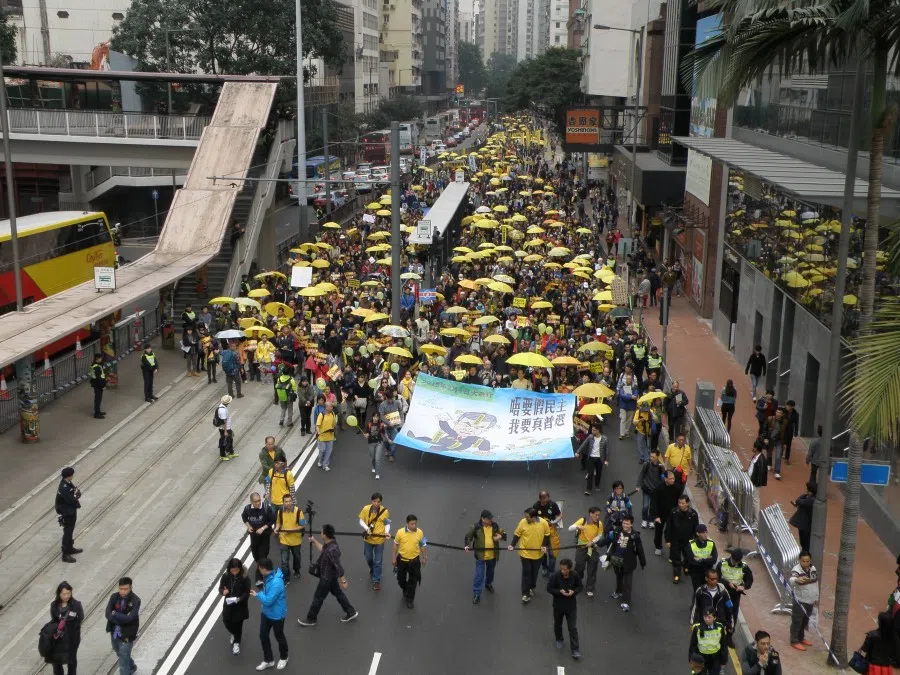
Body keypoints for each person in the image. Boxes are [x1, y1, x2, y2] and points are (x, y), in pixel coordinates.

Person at [298, 524, 359, 625]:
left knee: (318, 598)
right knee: (338, 594)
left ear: (325, 535)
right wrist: (314, 541)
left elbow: (338, 566)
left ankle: (311, 619)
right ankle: (350, 611)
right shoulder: (330, 544)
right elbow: (323, 550)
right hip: (331, 577)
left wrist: (343, 581)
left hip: (326, 578)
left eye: (321, 532)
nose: (320, 533)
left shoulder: (332, 550)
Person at [249, 558, 288, 671]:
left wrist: (258, 594)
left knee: (279, 636)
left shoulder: (276, 582)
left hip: (277, 615)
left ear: (263, 569)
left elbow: (268, 601)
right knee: (263, 635)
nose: (259, 571)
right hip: (266, 613)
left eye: (259, 569)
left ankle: (284, 657)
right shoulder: (269, 576)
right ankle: (268, 659)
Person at [603, 514, 646, 612]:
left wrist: (643, 562)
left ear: (631, 524)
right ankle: (618, 591)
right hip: (617, 560)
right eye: (624, 523)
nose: (625, 525)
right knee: (618, 577)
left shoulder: (635, 536)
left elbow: (640, 550)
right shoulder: (617, 530)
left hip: (629, 563)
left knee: (628, 583)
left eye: (627, 524)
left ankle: (626, 602)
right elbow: (611, 543)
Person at [509, 507, 551, 603]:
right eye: (525, 516)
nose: (525, 518)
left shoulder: (544, 523)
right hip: (525, 553)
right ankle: (525, 593)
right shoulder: (523, 522)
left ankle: (532, 587)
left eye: (527, 517)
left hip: (538, 554)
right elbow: (517, 534)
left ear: (534, 517)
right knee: (526, 572)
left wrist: (544, 545)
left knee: (534, 572)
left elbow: (547, 535)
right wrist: (512, 545)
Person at [465, 509, 505, 604]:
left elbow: (503, 534)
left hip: (492, 555)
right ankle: (477, 593)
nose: (491, 520)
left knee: (491, 572)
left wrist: (500, 536)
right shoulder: (476, 527)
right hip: (481, 555)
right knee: (479, 574)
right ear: (482, 519)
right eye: (488, 519)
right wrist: (467, 545)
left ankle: (488, 583)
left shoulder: (494, 526)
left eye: (491, 518)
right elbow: (468, 537)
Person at [546, 558, 583, 660]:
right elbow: (549, 588)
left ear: (569, 569)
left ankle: (575, 649)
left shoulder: (575, 575)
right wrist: (559, 592)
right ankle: (559, 639)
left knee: (573, 628)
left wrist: (573, 592)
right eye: (561, 568)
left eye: (564, 569)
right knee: (558, 624)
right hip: (558, 605)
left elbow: (580, 587)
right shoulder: (555, 576)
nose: (562, 571)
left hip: (571, 606)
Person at [105, 577, 140, 675]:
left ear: (130, 588)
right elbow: (107, 614)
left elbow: (130, 618)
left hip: (127, 633)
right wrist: (122, 618)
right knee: (117, 650)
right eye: (121, 589)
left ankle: (127, 670)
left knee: (123, 662)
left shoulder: (136, 600)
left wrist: (115, 614)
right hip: (115, 631)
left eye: (126, 589)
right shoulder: (114, 597)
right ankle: (132, 666)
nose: (123, 591)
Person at [392, 514, 428, 609]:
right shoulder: (400, 532)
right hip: (402, 560)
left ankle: (410, 599)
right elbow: (395, 545)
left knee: (413, 581)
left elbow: (423, 545)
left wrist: (424, 557)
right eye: (412, 524)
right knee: (400, 579)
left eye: (415, 524)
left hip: (414, 561)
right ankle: (405, 588)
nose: (414, 526)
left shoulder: (420, 532)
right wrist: (394, 558)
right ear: (407, 523)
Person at [48, 581, 83, 675]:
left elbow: (81, 618)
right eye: (64, 594)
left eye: (68, 593)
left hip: (72, 638)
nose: (66, 596)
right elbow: (54, 620)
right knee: (56, 662)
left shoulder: (76, 605)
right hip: (59, 638)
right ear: (59, 594)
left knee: (71, 660)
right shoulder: (54, 605)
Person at [568, 506, 604, 598]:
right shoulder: (583, 520)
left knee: (592, 569)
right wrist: (578, 526)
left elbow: (600, 535)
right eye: (596, 515)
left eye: (598, 515)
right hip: (581, 547)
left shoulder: (599, 524)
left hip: (592, 548)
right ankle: (577, 583)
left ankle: (590, 588)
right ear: (591, 514)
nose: (597, 517)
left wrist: (592, 542)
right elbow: (570, 528)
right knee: (579, 566)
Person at [358, 492, 391, 591]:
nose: (376, 503)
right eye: (374, 501)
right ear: (371, 501)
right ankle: (373, 569)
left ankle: (376, 580)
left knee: (378, 561)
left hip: (379, 540)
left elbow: (387, 524)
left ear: (381, 502)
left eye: (378, 502)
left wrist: (386, 532)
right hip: (368, 539)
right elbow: (361, 520)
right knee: (368, 557)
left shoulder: (385, 511)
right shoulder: (366, 509)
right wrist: (367, 528)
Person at [664, 493, 699, 584]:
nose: (681, 505)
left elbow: (696, 528)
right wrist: (667, 539)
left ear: (687, 503)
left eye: (683, 503)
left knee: (688, 556)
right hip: (675, 540)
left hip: (688, 540)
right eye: (679, 503)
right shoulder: (674, 512)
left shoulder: (693, 514)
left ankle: (686, 567)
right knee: (676, 558)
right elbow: (669, 526)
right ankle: (677, 574)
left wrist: (695, 540)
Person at [242, 492, 275, 587]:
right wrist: (248, 527)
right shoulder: (247, 509)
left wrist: (263, 528)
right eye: (256, 501)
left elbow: (272, 520)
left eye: (259, 500)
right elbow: (244, 517)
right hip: (254, 536)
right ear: (251, 502)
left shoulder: (266, 508)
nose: (258, 503)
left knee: (262, 556)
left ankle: (259, 578)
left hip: (264, 535)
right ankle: (263, 567)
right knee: (255, 554)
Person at [716, 549, 753, 634]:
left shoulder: (744, 567)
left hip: (734, 595)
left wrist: (743, 586)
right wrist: (727, 583)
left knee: (732, 613)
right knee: (720, 612)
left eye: (737, 562)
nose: (735, 563)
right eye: (734, 561)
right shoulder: (722, 563)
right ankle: (719, 631)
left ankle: (730, 632)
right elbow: (716, 578)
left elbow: (749, 580)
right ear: (731, 557)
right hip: (722, 593)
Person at [788, 551, 819, 651]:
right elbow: (792, 579)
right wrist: (797, 580)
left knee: (805, 620)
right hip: (800, 601)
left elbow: (815, 584)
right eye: (803, 561)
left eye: (807, 561)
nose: (805, 563)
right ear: (799, 560)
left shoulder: (813, 569)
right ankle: (794, 641)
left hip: (810, 600)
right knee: (797, 621)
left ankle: (801, 638)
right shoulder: (796, 570)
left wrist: (816, 597)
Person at [219, 558, 250, 655]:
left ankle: (237, 642)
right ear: (229, 569)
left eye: (237, 570)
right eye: (233, 570)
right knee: (226, 621)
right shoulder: (226, 576)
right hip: (228, 603)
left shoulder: (245, 578)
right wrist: (223, 592)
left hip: (240, 605)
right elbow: (220, 588)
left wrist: (239, 599)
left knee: (238, 625)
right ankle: (233, 633)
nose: (235, 572)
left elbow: (247, 592)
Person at [274, 494, 306, 584]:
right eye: (286, 501)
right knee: (284, 561)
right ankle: (286, 577)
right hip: (284, 539)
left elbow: (302, 525)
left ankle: (296, 570)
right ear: (283, 502)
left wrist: (291, 530)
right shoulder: (280, 512)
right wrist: (276, 529)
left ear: (292, 501)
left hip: (296, 540)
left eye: (289, 501)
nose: (288, 503)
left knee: (297, 557)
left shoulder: (299, 512)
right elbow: (278, 523)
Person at [857, 611, 900, 675]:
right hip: (886, 668)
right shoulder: (894, 637)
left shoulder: (872, 635)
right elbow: (897, 653)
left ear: (880, 623)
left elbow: (865, 649)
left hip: (872, 667)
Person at [689, 607, 728, 675]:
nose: (707, 619)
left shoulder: (720, 627)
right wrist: (691, 659)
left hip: (715, 658)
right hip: (701, 657)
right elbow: (693, 645)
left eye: (709, 617)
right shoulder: (697, 628)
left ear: (714, 618)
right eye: (705, 616)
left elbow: (724, 644)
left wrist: (723, 661)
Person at [652, 470, 682, 555]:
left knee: (672, 531)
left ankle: (672, 548)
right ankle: (658, 547)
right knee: (658, 531)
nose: (673, 480)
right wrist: (656, 516)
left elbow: (678, 501)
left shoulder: (677, 488)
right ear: (665, 479)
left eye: (673, 478)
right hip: (660, 514)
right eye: (671, 479)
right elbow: (654, 503)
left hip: (672, 514)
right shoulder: (658, 488)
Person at [55, 467, 82, 563]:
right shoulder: (64, 488)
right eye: (72, 474)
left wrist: (76, 494)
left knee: (70, 530)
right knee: (67, 532)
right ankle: (65, 554)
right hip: (67, 511)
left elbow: (74, 491)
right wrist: (77, 498)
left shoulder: (67, 483)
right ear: (69, 476)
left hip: (70, 510)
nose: (73, 476)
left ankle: (70, 548)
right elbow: (71, 499)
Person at [533, 491, 562, 576]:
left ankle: (551, 570)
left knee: (552, 553)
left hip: (551, 530)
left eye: (547, 498)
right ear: (540, 499)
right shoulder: (536, 506)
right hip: (541, 532)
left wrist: (554, 521)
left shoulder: (552, 504)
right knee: (543, 552)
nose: (546, 500)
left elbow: (560, 515)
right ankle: (544, 567)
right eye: (544, 498)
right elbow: (533, 517)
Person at [576, 424, 608, 496]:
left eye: (594, 430)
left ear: (598, 430)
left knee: (599, 473)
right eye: (592, 430)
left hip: (600, 459)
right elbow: (583, 444)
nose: (592, 431)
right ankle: (588, 489)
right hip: (591, 458)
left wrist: (606, 460)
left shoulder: (604, 439)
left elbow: (606, 450)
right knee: (590, 473)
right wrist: (578, 452)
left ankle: (597, 484)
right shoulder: (590, 437)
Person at [636, 449, 665, 528]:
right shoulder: (647, 464)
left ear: (657, 457)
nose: (651, 458)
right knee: (645, 506)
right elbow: (641, 475)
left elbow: (663, 479)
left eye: (653, 457)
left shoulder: (661, 467)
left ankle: (651, 520)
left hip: (655, 491)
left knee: (653, 507)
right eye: (650, 456)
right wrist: (638, 486)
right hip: (646, 488)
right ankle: (644, 519)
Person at [685, 523, 719, 591]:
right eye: (703, 533)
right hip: (696, 572)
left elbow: (714, 559)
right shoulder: (691, 544)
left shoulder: (711, 543)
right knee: (697, 591)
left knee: (708, 591)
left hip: (708, 572)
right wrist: (707, 559)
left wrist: (701, 560)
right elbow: (691, 561)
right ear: (698, 534)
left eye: (706, 532)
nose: (705, 534)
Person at [789, 482, 816, 553]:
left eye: (807, 489)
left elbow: (798, 501)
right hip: (805, 524)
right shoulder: (810, 498)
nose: (806, 490)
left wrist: (804, 494)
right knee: (803, 541)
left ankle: (805, 554)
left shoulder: (811, 500)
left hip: (805, 525)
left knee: (805, 542)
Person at [360, 411, 385, 479]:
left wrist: (388, 439)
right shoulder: (369, 424)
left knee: (377, 459)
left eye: (377, 417)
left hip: (379, 442)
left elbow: (383, 433)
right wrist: (366, 435)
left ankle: (377, 473)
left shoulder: (381, 424)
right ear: (372, 417)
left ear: (379, 417)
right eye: (374, 416)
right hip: (371, 443)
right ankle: (373, 466)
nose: (375, 418)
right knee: (373, 458)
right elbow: (367, 433)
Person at [315, 400, 338, 471]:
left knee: (328, 451)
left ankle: (325, 465)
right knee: (322, 450)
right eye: (331, 406)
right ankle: (320, 461)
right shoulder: (321, 415)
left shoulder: (333, 414)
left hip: (330, 436)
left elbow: (334, 424)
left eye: (332, 406)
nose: (332, 407)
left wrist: (334, 429)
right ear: (326, 407)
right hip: (322, 437)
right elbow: (318, 425)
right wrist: (318, 431)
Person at [215, 395, 238, 461]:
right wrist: (225, 431)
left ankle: (231, 452)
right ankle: (222, 455)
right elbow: (224, 422)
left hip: (227, 428)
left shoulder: (222, 406)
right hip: (224, 429)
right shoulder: (223, 410)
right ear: (228, 403)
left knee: (230, 440)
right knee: (224, 442)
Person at [89, 353, 107, 419]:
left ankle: (98, 411)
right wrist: (102, 386)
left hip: (95, 384)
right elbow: (98, 378)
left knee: (98, 399)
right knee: (98, 399)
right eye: (100, 358)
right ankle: (97, 414)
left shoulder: (95, 365)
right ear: (97, 358)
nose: (101, 359)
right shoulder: (96, 367)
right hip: (98, 385)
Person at [783, 400, 800, 465]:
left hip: (790, 430)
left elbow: (796, 423)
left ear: (792, 407)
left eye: (789, 406)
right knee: (781, 442)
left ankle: (787, 458)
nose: (787, 406)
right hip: (783, 429)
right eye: (786, 405)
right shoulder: (784, 411)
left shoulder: (796, 414)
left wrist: (796, 432)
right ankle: (781, 452)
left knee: (788, 445)